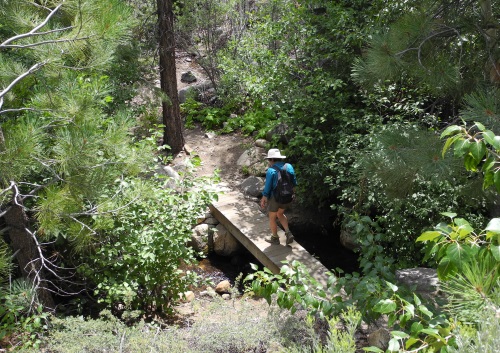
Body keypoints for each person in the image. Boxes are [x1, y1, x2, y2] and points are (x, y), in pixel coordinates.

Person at [260, 148, 297, 245]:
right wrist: (293, 194)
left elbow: (267, 187)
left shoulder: (271, 170)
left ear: (272, 159)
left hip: (275, 198)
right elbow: (294, 182)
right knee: (280, 214)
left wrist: (264, 198)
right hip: (287, 197)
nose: (269, 162)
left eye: (269, 160)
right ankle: (288, 233)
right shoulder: (289, 166)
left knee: (272, 217)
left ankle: (275, 238)